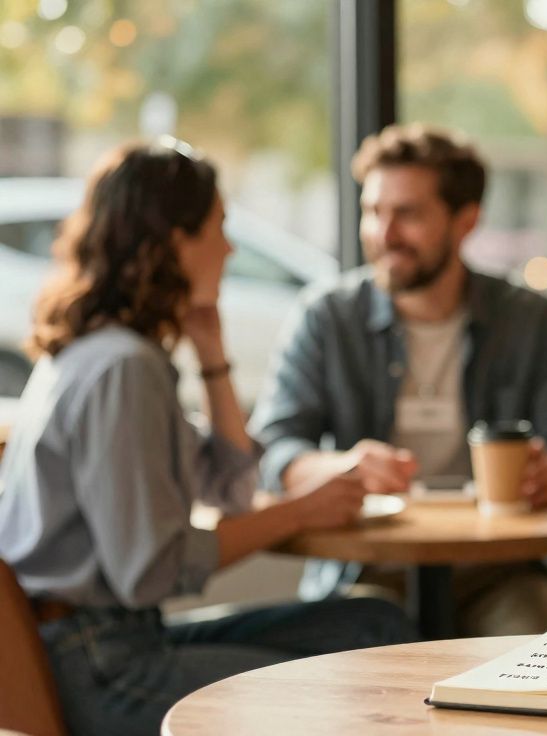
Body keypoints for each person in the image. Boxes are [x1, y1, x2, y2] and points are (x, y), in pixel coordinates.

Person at [0, 139, 415, 736]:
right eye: (219, 227)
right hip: (101, 666)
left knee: (372, 624)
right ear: (176, 242)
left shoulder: (117, 355)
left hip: (118, 639)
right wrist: (299, 512)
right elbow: (149, 569)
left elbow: (231, 488)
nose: (229, 247)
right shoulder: (122, 370)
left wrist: (211, 352)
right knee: (353, 692)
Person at [248, 124, 547, 634]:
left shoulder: (527, 318)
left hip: (498, 571)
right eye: (373, 212)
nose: (384, 234)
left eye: (407, 214)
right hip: (365, 571)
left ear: (466, 221)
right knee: (359, 650)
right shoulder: (327, 317)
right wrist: (344, 467)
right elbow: (272, 448)